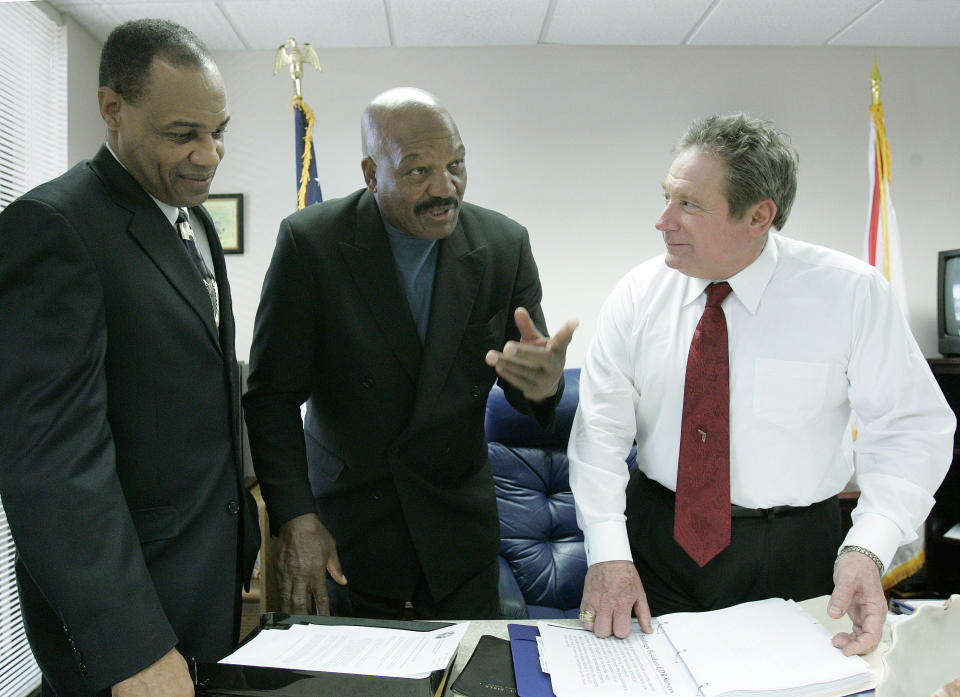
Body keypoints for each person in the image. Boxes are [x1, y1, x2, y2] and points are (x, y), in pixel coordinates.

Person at [568, 113, 954, 655]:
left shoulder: (849, 294)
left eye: (689, 205)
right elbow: (599, 433)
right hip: (657, 542)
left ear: (759, 216)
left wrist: (868, 547)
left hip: (793, 553)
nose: (663, 221)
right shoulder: (638, 293)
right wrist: (608, 551)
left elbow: (913, 428)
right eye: (667, 197)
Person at [243, 87, 577, 621]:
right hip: (347, 529)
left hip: (457, 532)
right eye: (418, 171)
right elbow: (270, 398)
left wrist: (542, 387)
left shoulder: (503, 246)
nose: (444, 188)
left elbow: (525, 381)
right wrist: (296, 517)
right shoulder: (313, 244)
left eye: (457, 165)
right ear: (372, 174)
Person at [0, 19, 260, 697]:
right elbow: (53, 462)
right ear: (113, 109)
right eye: (183, 134)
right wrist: (131, 646)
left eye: (218, 130)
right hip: (126, 621)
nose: (210, 154)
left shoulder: (193, 221)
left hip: (203, 587)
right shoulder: (54, 229)